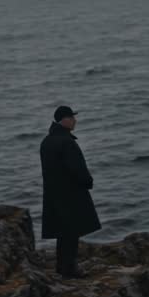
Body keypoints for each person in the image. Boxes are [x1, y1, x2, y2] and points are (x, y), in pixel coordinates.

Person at [40, 105, 101, 278]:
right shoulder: (66, 142)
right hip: (71, 194)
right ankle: (71, 269)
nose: (75, 120)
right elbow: (77, 169)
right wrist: (88, 182)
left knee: (62, 234)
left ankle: (62, 268)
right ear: (64, 120)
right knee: (72, 234)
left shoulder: (46, 141)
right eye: (72, 117)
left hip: (53, 195)